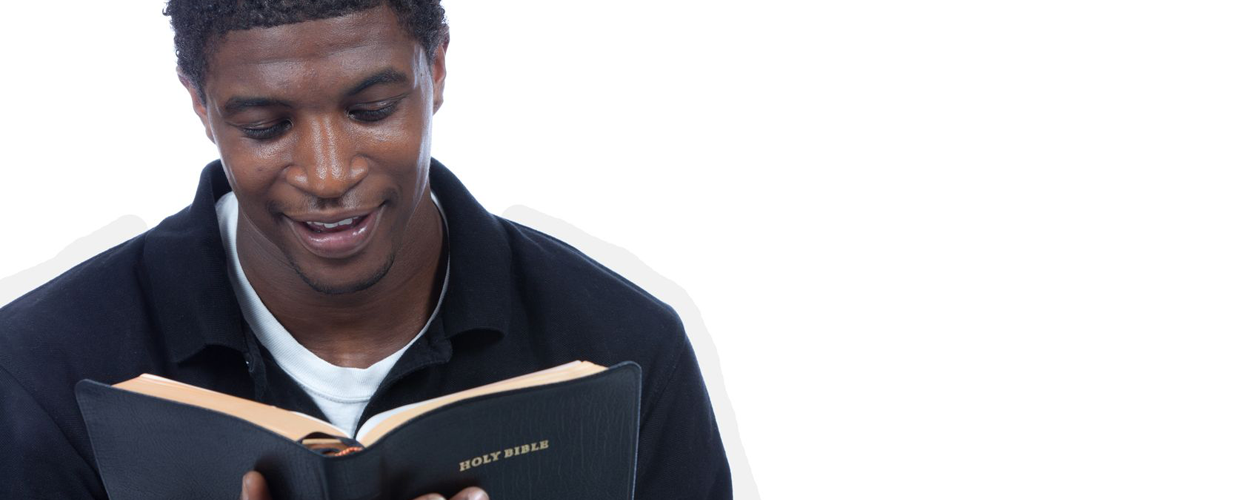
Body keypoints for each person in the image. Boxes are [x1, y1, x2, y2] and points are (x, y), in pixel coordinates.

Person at [0, 1, 732, 499]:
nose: (328, 173)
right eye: (264, 124)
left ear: (435, 69)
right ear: (199, 102)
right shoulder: (41, 366)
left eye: (372, 109)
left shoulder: (626, 348)